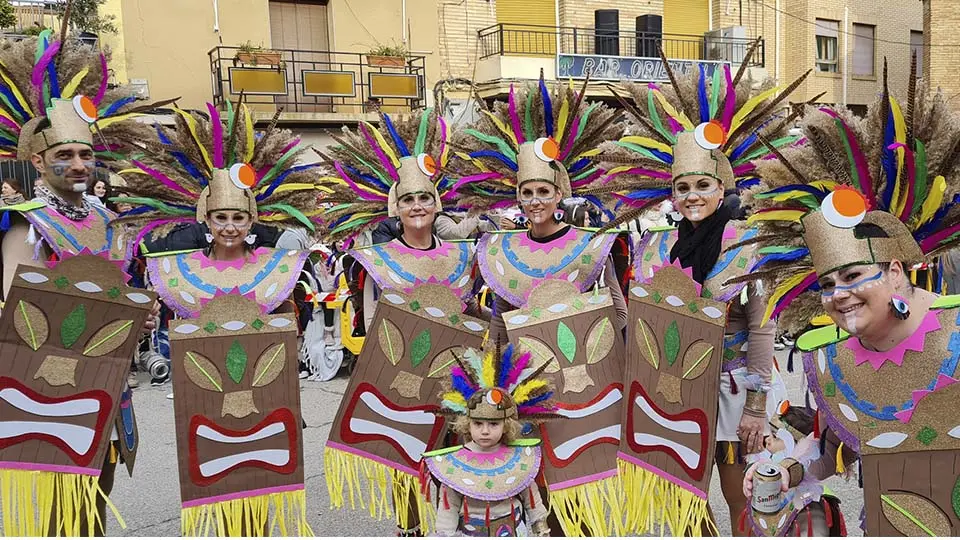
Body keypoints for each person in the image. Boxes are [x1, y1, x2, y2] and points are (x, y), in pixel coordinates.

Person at [738, 63, 960, 536]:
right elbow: (829, 448)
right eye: (826, 283)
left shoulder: (956, 333)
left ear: (895, 270)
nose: (839, 295)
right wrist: (782, 474)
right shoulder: (833, 361)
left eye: (855, 275)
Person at [596, 60, 810, 535]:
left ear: (722, 187)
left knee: (742, 496)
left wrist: (756, 408)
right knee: (682, 500)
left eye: (702, 185)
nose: (692, 195)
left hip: (735, 391)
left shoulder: (746, 242)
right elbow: (638, 316)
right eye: (683, 187)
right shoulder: (657, 245)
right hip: (673, 390)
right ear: (672, 193)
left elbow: (762, 325)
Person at [0, 31, 160, 536]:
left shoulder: (107, 219)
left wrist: (143, 313)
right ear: (39, 162)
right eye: (64, 155)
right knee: (57, 497)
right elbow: (14, 302)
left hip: (109, 374)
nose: (77, 165)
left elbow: (122, 287)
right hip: (49, 377)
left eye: (85, 155)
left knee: (99, 485)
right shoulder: (27, 222)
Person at [453, 74, 628, 536]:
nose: (535, 201)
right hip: (530, 386)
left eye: (543, 192)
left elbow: (617, 309)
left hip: (589, 382)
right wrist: (495, 381)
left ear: (559, 195)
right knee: (545, 486)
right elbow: (498, 325)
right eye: (527, 193)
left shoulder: (591, 246)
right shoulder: (500, 252)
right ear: (518, 197)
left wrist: (621, 372)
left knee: (589, 482)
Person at [318, 108, 489, 536]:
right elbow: (374, 321)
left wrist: (510, 323)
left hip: (455, 375)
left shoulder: (462, 255)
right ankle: (409, 529)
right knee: (404, 462)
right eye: (409, 199)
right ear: (397, 205)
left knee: (453, 460)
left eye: (425, 198)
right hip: (402, 372)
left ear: (437, 203)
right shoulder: (381, 260)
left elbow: (471, 312)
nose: (418, 206)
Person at [423, 344, 555, 536]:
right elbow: (448, 506)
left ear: (506, 425)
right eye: (478, 424)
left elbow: (531, 496)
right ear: (467, 424)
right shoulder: (454, 464)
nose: (485, 431)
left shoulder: (519, 459)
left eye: (493, 424)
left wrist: (541, 527)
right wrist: (444, 534)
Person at [739, 402, 846, 536]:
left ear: (799, 445)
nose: (768, 440)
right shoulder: (766, 467)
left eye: (776, 437)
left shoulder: (812, 502)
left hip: (803, 502)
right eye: (770, 434)